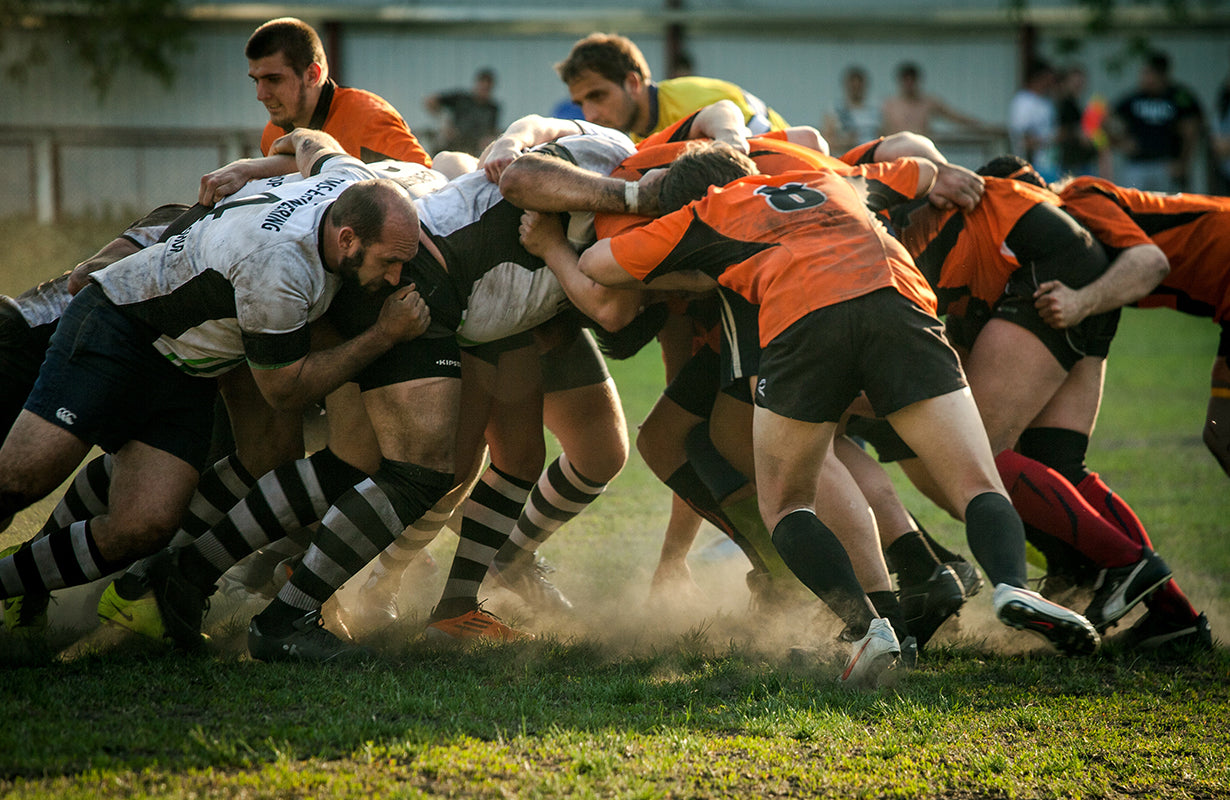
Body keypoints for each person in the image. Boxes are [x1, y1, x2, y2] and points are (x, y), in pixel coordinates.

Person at [574, 142, 1104, 683]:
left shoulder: (706, 210)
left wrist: (697, 268)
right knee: (976, 480)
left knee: (786, 501)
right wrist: (937, 175)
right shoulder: (828, 178)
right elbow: (918, 172)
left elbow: (599, 266)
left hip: (804, 324)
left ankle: (864, 628)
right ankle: (1012, 585)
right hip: (898, 305)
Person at [0, 129, 431, 608]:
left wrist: (250, 166)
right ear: (347, 238)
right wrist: (383, 336)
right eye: (389, 262)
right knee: (25, 475)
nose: (395, 278)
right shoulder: (279, 268)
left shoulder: (350, 177)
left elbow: (312, 139)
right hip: (121, 327)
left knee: (143, 527)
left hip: (184, 372)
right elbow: (284, 392)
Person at [248, 17, 431, 166]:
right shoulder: (272, 135)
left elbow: (428, 186)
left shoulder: (369, 120)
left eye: (274, 80)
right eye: (256, 80)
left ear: (312, 75)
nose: (261, 95)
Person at [555, 32, 788, 143]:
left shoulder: (702, 102)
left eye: (598, 96)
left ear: (632, 83)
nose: (589, 115)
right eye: (581, 103)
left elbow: (772, 155)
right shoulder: (636, 140)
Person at [1107, 51, 1204, 193]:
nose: (1143, 78)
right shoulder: (1134, 98)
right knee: (1133, 209)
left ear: (1160, 75)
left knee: (1167, 209)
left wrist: (1183, 163)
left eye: (1148, 73)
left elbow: (1191, 131)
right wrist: (1118, 142)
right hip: (1137, 165)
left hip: (1166, 165)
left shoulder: (1179, 97)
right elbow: (1104, 118)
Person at [881, 62, 1003, 138]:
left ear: (917, 81)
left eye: (911, 80)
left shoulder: (928, 102)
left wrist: (986, 127)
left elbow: (956, 117)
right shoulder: (890, 105)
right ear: (900, 82)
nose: (909, 84)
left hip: (922, 153)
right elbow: (880, 131)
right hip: (896, 154)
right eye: (906, 81)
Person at [423, 68, 501, 157]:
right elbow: (431, 101)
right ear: (477, 84)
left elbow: (492, 131)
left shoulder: (493, 108)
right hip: (451, 146)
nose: (484, 90)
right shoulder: (461, 99)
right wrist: (443, 123)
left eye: (487, 88)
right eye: (482, 86)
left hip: (474, 151)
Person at [1007, 59, 1059, 182]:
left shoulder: (1046, 102)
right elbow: (1022, 137)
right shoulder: (1023, 101)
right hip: (1031, 168)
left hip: (1050, 164)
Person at [821, 65, 882, 156]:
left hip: (870, 160)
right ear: (846, 86)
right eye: (853, 87)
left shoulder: (876, 111)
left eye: (859, 87)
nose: (856, 90)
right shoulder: (835, 110)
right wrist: (846, 142)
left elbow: (884, 136)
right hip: (845, 159)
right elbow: (826, 142)